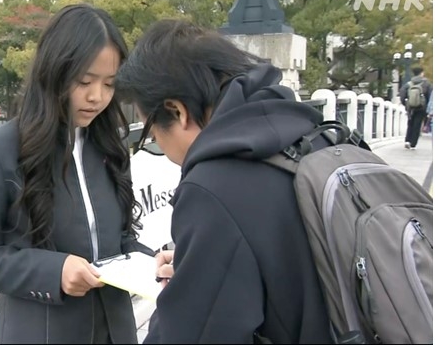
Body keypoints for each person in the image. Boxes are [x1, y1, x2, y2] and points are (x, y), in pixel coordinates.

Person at [115, 19, 332, 344]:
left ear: (177, 111)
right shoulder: (318, 136)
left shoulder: (213, 186)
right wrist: (200, 259)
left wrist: (192, 282)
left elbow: (192, 334)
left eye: (151, 132)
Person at [0, 3, 154, 344]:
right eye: (84, 81)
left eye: (109, 84)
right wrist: (54, 272)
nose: (97, 97)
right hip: (40, 333)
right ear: (54, 72)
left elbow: (117, 240)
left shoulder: (109, 146)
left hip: (116, 332)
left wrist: (150, 264)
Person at [399, 67, 432, 149]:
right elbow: (430, 96)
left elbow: (402, 95)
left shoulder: (409, 84)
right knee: (417, 125)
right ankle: (413, 144)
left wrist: (406, 104)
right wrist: (428, 109)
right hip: (421, 108)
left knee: (410, 123)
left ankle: (407, 141)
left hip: (411, 107)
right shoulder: (427, 83)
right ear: (421, 73)